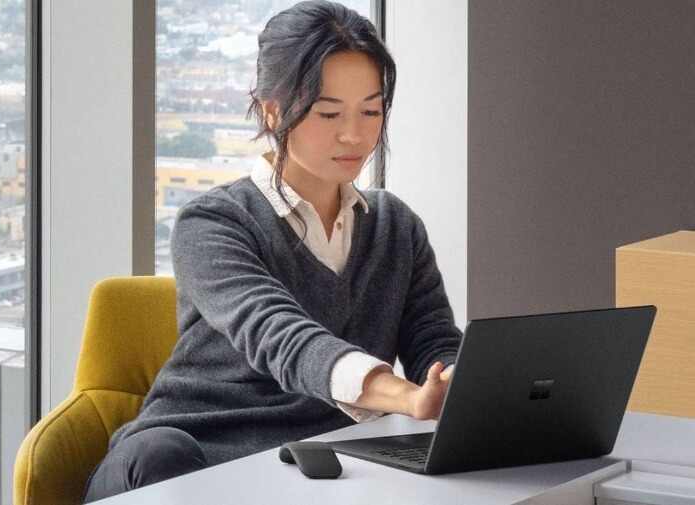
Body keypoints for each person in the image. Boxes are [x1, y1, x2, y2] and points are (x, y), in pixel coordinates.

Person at [83, 1, 461, 501]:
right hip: (185, 459)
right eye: (329, 113)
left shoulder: (395, 226)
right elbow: (283, 337)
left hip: (317, 466)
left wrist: (455, 381)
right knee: (160, 455)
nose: (354, 134)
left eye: (370, 110)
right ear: (273, 111)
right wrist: (404, 397)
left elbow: (434, 342)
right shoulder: (212, 223)